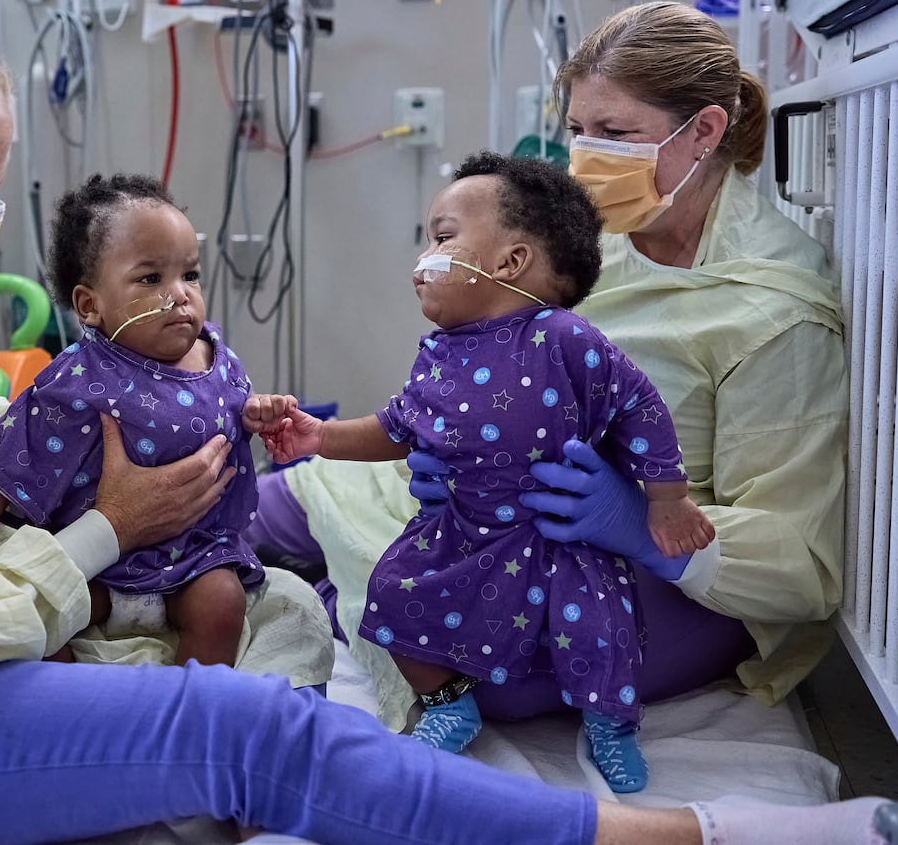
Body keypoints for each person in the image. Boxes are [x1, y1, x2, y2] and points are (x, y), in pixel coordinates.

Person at [0, 0, 898, 845]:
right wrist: (97, 538)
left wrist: (86, 523)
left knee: (236, 558)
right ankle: (682, 834)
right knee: (247, 717)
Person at [250, 0, 849, 744]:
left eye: (617, 133)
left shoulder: (774, 313)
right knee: (249, 507)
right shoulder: (599, 243)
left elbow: (804, 564)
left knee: (487, 674)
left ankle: (310, 604)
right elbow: (490, 346)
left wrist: (636, 519)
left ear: (704, 131)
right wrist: (447, 441)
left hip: (656, 567)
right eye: (579, 129)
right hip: (491, 504)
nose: (585, 157)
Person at [247, 155, 701, 793]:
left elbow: (641, 406)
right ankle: (449, 701)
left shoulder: (562, 338)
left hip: (556, 538)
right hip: (462, 533)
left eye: (441, 236)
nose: (422, 257)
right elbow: (395, 427)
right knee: (393, 594)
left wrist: (664, 501)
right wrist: (321, 437)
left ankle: (611, 724)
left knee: (597, 630)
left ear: (509, 263)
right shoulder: (438, 355)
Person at [0, 174, 266, 668]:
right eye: (150, 279)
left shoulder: (216, 355)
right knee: (37, 618)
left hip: (191, 560)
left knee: (223, 604)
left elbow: (233, 412)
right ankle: (73, 712)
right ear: (90, 305)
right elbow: (15, 450)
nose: (179, 295)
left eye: (190, 274)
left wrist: (261, 413)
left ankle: (200, 712)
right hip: (97, 565)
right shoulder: (78, 377)